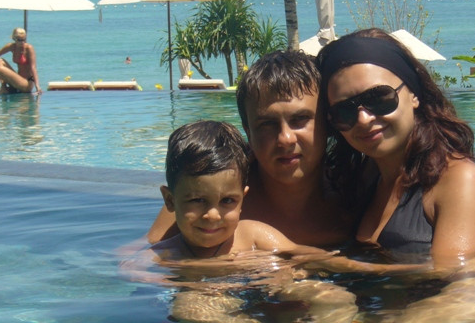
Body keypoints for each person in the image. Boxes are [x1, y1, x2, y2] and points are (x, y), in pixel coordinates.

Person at [127, 120, 360, 323]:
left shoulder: (251, 234)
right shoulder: (165, 252)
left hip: (265, 291)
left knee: (335, 297)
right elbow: (131, 270)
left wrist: (362, 267)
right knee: (192, 307)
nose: (213, 215)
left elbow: (303, 253)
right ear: (170, 200)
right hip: (208, 300)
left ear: (242, 200)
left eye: (227, 201)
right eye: (197, 200)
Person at [316, 28, 475, 264]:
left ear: (414, 93)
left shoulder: (462, 181)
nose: (363, 119)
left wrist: (319, 262)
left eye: (378, 98)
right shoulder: (364, 178)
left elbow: (455, 276)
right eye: (344, 110)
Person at [147, 50, 352, 247]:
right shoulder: (215, 184)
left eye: (300, 119)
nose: (285, 139)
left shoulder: (353, 192)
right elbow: (145, 258)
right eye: (267, 124)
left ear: (328, 123)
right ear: (248, 132)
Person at [0, 28, 42, 94]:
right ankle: (4, 87)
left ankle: (5, 89)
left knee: (1, 69)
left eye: (23, 39)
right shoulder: (12, 46)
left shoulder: (29, 48)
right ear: (14, 38)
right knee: (0, 61)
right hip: (18, 79)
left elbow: (33, 68)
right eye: (19, 40)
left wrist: (37, 86)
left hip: (27, 83)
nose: (22, 42)